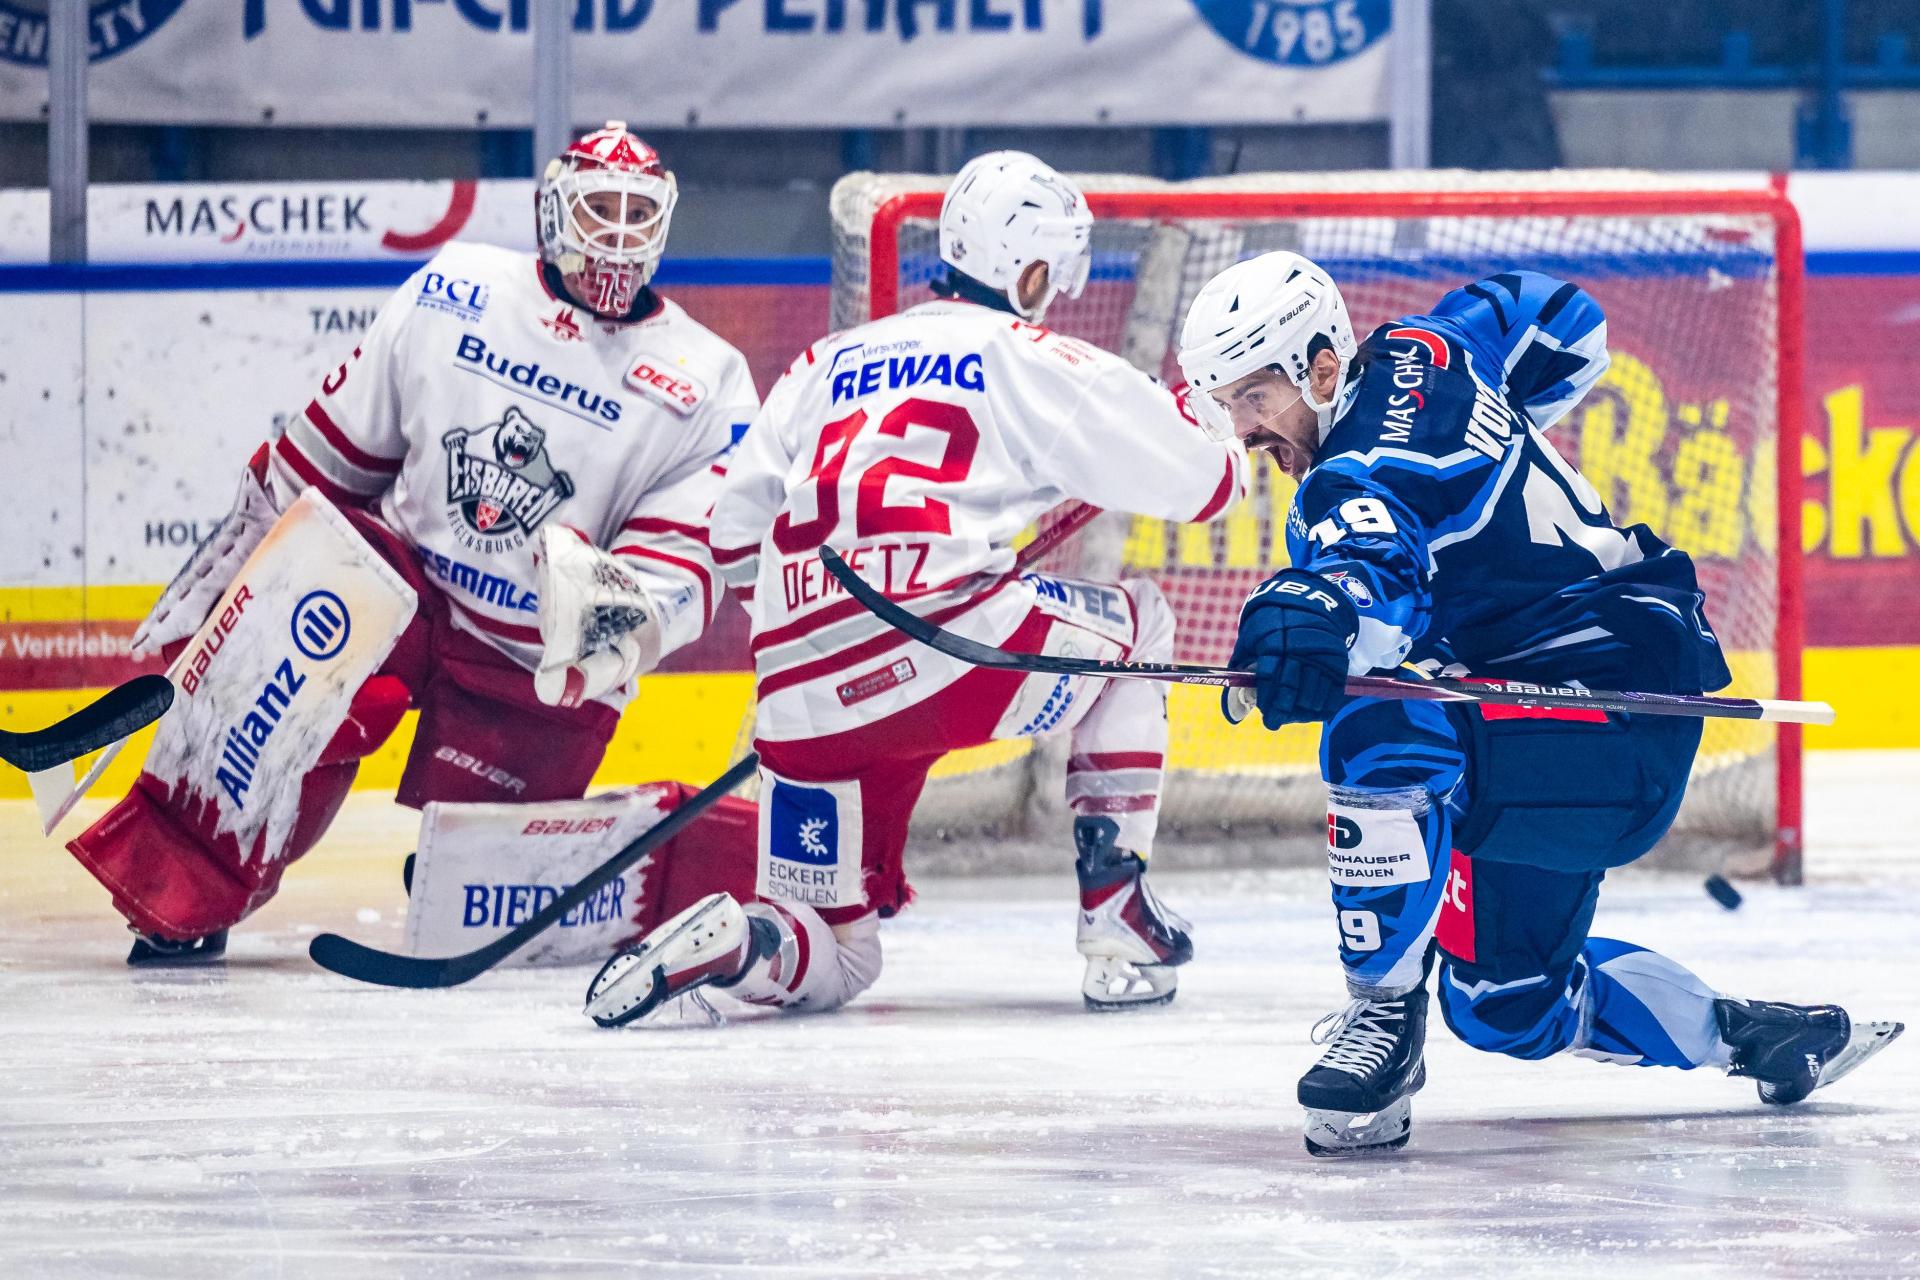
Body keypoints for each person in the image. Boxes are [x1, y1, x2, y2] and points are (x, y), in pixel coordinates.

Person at [1175, 252, 1903, 1155]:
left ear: (1325, 368)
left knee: (1378, 717)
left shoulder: (1358, 476)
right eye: (1229, 405)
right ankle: (1757, 1036)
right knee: (1507, 1006)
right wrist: (1498, 437)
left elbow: (1375, 593)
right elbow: (1562, 316)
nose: (1245, 430)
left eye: (1254, 398)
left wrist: (1320, 611)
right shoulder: (1432, 342)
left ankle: (1381, 1024)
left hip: (1600, 718)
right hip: (1598, 714)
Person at [580, 151, 1249, 1028]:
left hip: (798, 703)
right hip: (949, 653)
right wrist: (1218, 431)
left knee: (838, 951)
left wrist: (819, 649)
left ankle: (743, 940)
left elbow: (735, 534)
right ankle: (1117, 920)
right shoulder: (1029, 355)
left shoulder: (820, 364)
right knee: (1144, 625)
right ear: (1035, 269)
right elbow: (1203, 487)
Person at [69, 123, 759, 964]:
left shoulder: (707, 375)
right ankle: (183, 884)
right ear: (554, 212)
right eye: (598, 209)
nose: (617, 234)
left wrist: (608, 633)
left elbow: (684, 563)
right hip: (399, 597)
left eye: (636, 213)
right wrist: (243, 583)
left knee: (479, 891)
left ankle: (453, 871)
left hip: (529, 659)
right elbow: (331, 455)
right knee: (303, 634)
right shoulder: (458, 288)